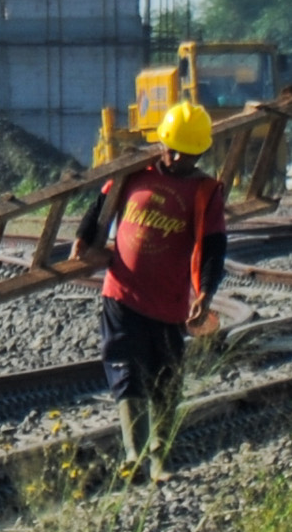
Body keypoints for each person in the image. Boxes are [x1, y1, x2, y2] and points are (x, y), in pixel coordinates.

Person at [78, 101, 230, 479]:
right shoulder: (133, 174)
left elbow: (213, 247)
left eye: (188, 154)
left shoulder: (204, 192)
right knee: (125, 368)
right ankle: (135, 455)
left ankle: (160, 458)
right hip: (122, 293)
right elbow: (100, 206)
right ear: (161, 143)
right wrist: (82, 241)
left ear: (200, 153)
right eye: (172, 148)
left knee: (165, 380)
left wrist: (206, 295)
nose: (177, 158)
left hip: (168, 302)